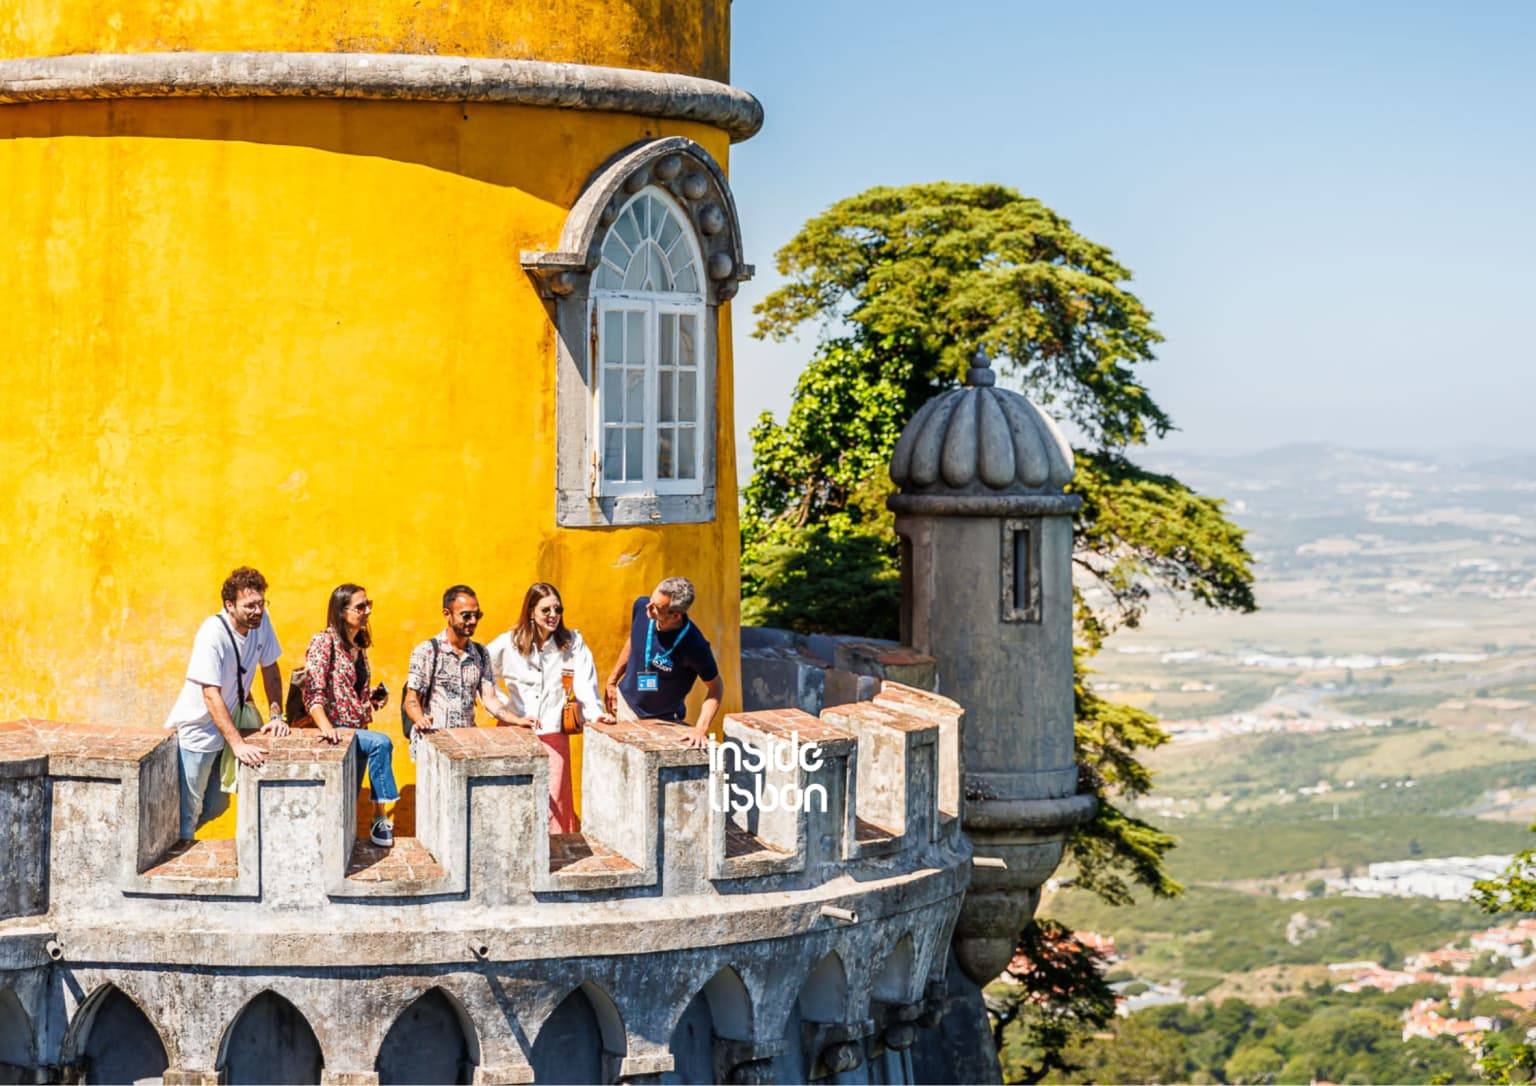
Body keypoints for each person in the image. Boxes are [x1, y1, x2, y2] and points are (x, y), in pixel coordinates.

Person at [163, 566, 288, 841]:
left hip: (228, 724)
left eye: (261, 603)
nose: (257, 611)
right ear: (229, 605)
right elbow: (210, 693)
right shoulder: (212, 634)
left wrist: (277, 714)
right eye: (249, 605)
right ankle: (181, 865)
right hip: (198, 731)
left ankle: (181, 841)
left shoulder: (261, 621)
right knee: (188, 810)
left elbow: (270, 667)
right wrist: (238, 744)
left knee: (218, 804)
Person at [488, 583, 613, 833]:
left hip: (553, 733)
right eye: (546, 610)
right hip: (516, 732)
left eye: (558, 609)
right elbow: (482, 673)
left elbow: (585, 682)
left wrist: (596, 713)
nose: (553, 615)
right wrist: (503, 708)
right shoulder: (508, 642)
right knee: (516, 796)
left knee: (554, 799)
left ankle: (553, 856)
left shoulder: (572, 642)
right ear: (531, 611)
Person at [301, 584, 398, 848]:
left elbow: (350, 694)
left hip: (357, 727)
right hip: (337, 731)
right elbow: (313, 691)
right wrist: (325, 727)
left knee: (347, 802)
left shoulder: (358, 647)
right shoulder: (324, 642)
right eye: (360, 607)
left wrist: (373, 698)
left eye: (369, 605)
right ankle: (380, 819)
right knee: (382, 743)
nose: (367, 611)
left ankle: (337, 853)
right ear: (342, 612)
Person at [604, 576, 723, 749]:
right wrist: (612, 681)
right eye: (651, 600)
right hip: (624, 706)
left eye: (656, 607)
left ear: (675, 615)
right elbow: (635, 639)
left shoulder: (694, 645)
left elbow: (716, 688)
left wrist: (700, 729)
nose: (648, 607)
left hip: (661, 720)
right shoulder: (641, 607)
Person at [402, 585, 524, 753]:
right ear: (447, 614)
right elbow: (412, 698)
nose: (473, 621)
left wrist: (516, 720)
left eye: (477, 615)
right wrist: (420, 719)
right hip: (435, 743)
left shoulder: (481, 654)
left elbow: (490, 700)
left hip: (467, 744)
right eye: (466, 615)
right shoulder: (428, 651)